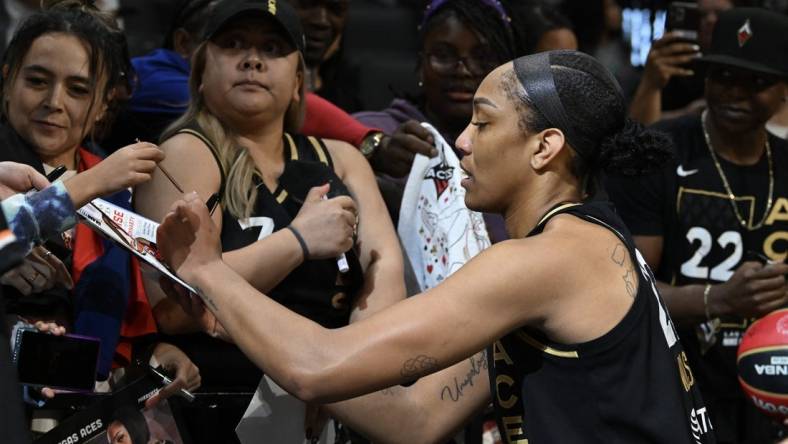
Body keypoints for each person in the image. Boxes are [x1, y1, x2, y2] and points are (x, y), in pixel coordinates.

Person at [156, 49, 716, 443]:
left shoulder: (548, 260)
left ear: (545, 147)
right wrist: (243, 319)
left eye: (483, 122)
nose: (463, 142)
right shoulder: (584, 242)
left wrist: (210, 271)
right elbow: (414, 419)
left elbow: (317, 368)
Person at [134, 0, 404, 440]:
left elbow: (384, 270)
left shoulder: (340, 158)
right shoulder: (187, 151)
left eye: (273, 47)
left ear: (300, 81)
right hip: (217, 401)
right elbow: (176, 305)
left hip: (336, 399)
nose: (253, 59)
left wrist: (343, 375)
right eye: (233, 44)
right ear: (201, 71)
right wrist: (297, 241)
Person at [606, 8, 788, 443]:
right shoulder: (659, 154)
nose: (735, 93)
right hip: (679, 388)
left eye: (756, 81)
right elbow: (624, 291)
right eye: (723, 75)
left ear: (784, 89)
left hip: (775, 387)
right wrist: (718, 298)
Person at [0, 1, 200, 394]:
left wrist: (148, 355)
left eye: (77, 89)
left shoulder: (115, 181)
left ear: (105, 102)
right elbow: (5, 236)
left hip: (84, 405)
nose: (54, 102)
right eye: (37, 81)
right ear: (7, 80)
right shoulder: (106, 176)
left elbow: (115, 311)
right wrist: (89, 184)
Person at [353, 0, 515, 237]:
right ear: (420, 65)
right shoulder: (370, 129)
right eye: (444, 55)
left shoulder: (522, 147)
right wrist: (373, 154)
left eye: (482, 57)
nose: (463, 70)